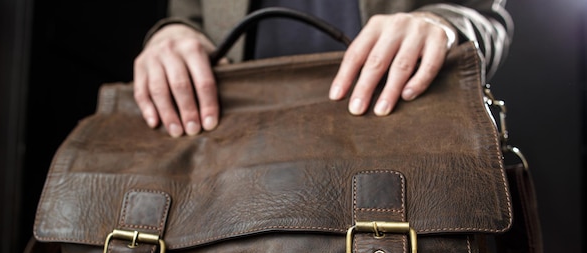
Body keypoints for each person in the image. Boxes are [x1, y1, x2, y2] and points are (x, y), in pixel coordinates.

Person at [134, 1, 512, 138]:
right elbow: (189, 19)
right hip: (230, 144)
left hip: (398, 137)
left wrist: (440, 24)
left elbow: (486, 19)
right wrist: (171, 34)